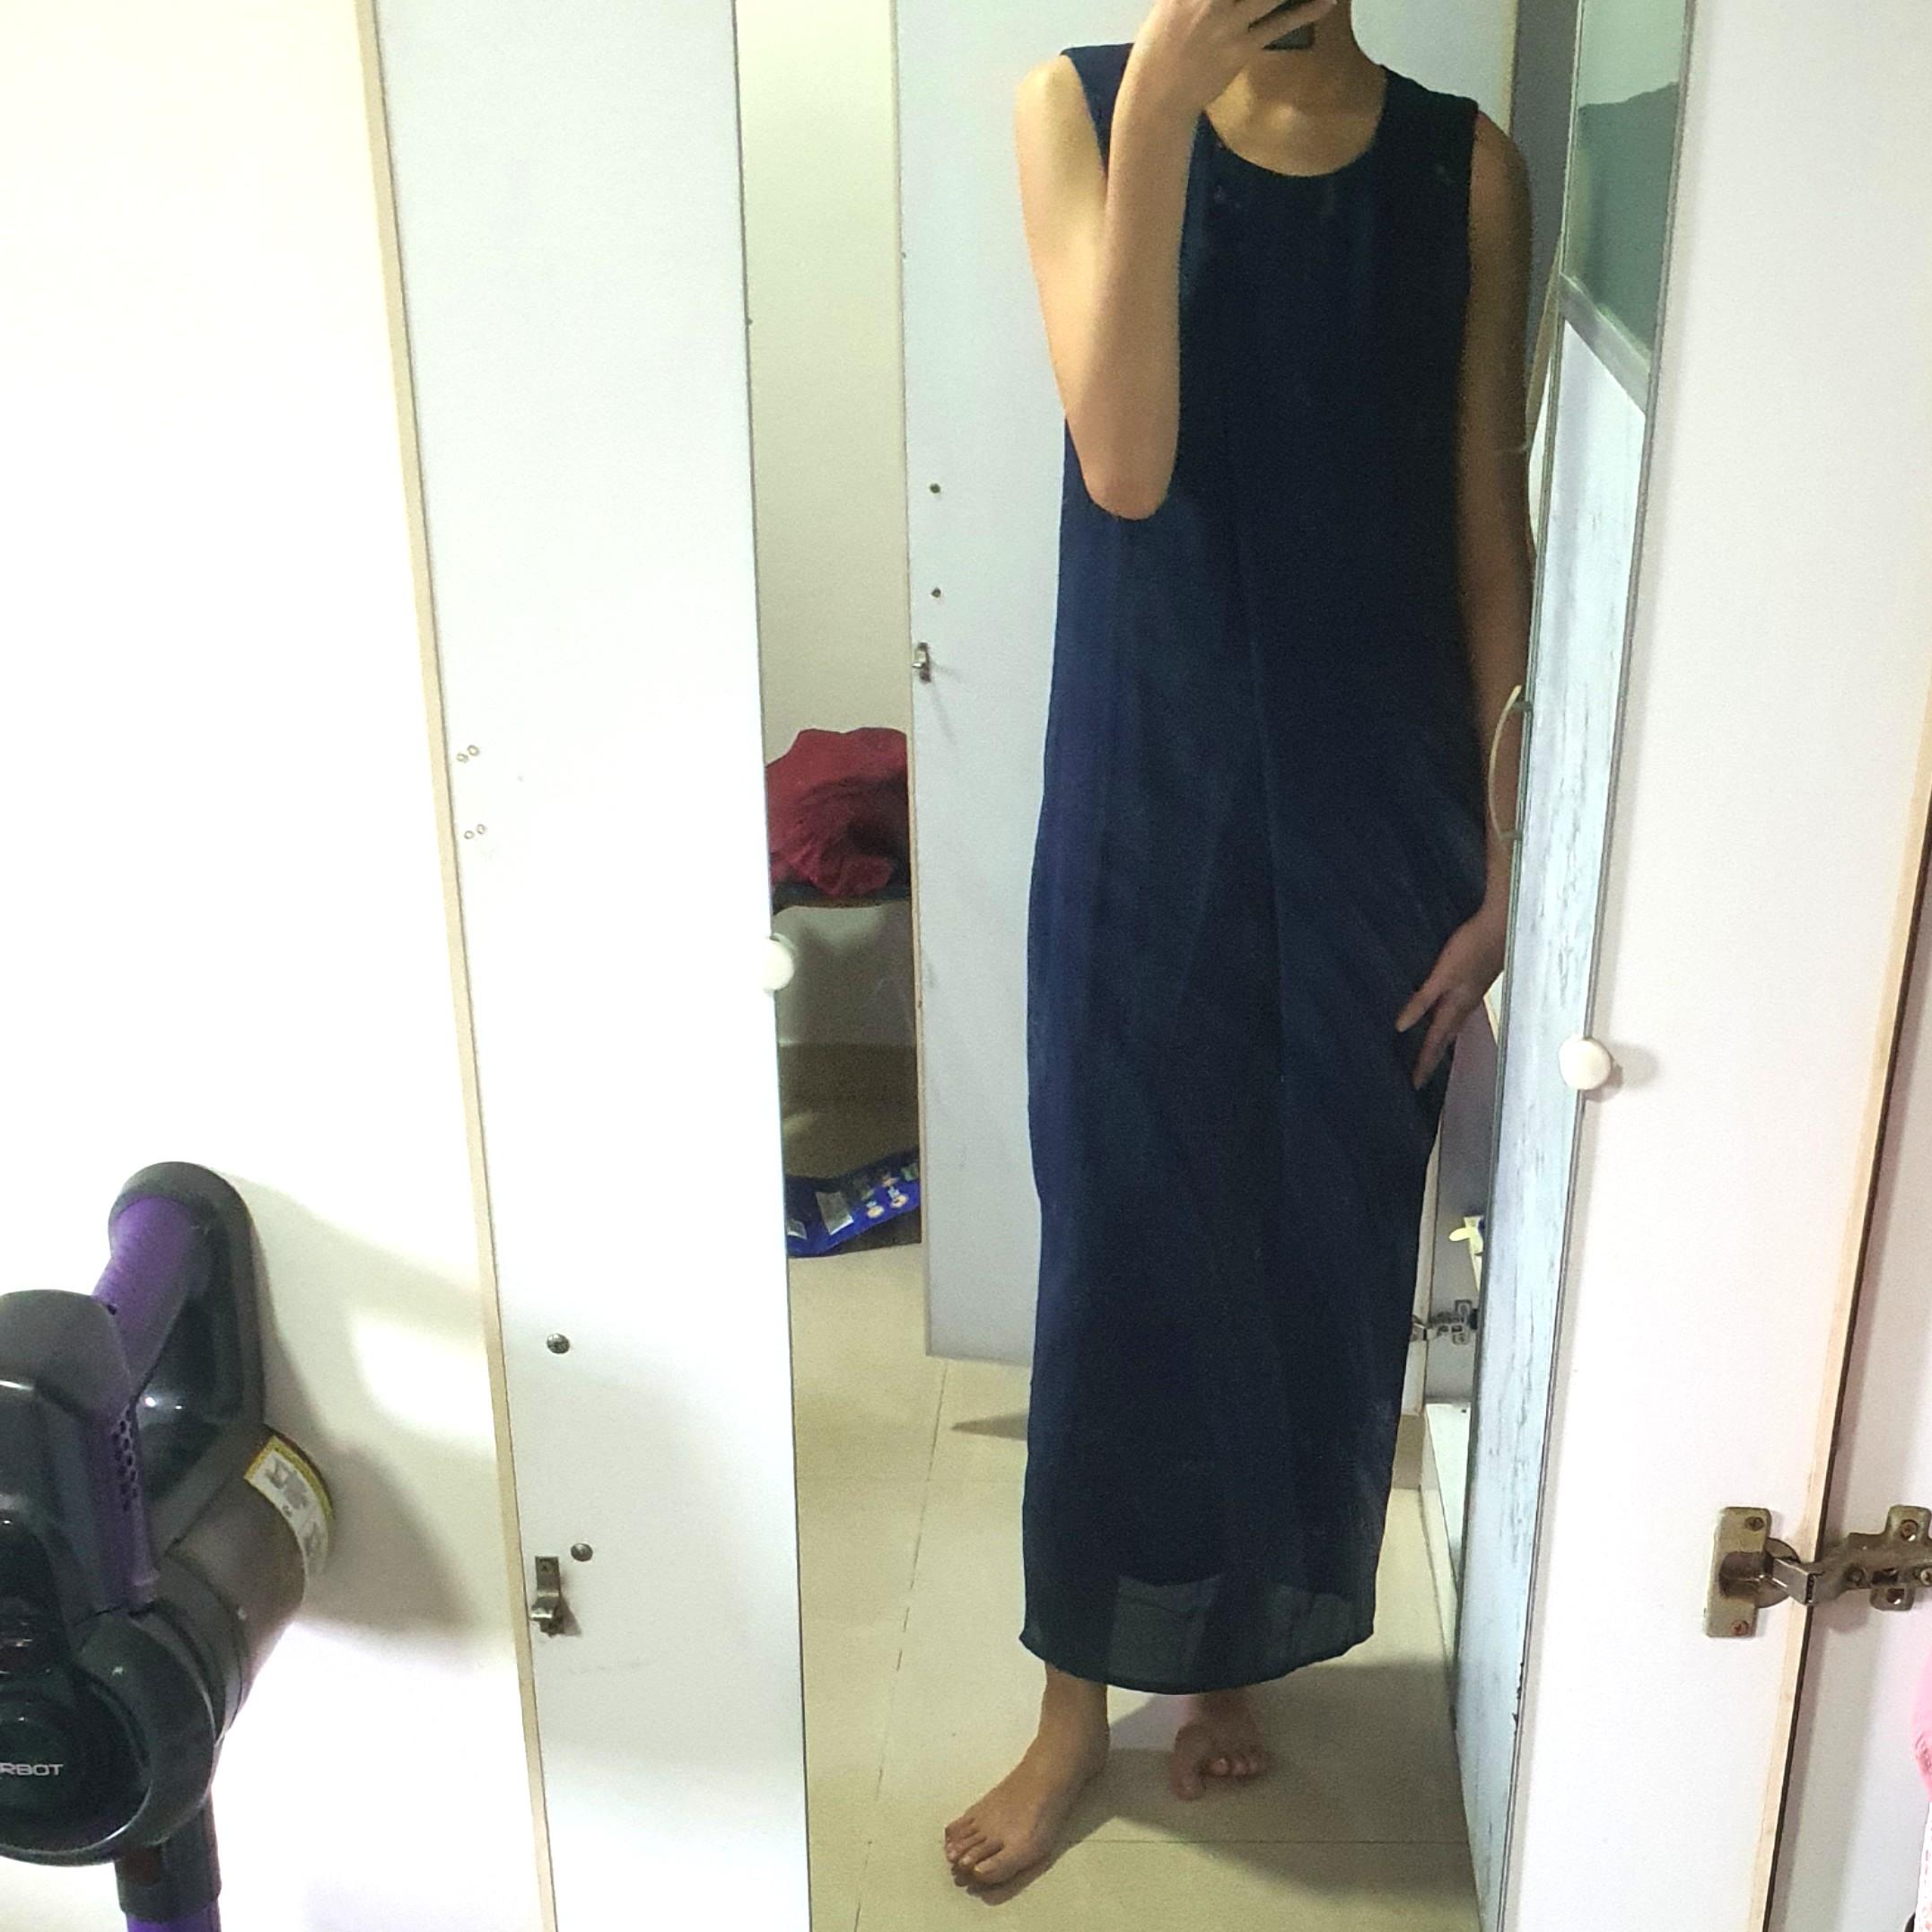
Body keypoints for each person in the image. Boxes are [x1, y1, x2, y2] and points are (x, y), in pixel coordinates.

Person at [943, 0, 1532, 1889]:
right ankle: (1072, 1699)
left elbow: (1486, 525)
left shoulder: (1462, 170)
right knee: (1124, 1231)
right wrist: (1165, 111)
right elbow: (1123, 461)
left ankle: (1232, 1649)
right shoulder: (1076, 107)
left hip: (1380, 805)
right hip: (1152, 785)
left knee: (1308, 1245)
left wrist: (1505, 860)